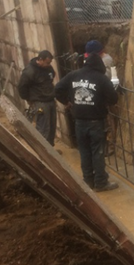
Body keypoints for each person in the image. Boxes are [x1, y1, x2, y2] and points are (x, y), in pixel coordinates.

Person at [55, 52, 119, 192]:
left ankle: (88, 181)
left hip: (79, 122)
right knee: (98, 152)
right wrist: (103, 100)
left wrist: (67, 101)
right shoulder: (101, 79)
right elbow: (114, 98)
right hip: (96, 122)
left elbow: (57, 89)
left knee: (84, 152)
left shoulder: (73, 75)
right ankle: (101, 182)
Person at [17, 50, 57, 145]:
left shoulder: (48, 68)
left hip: (50, 101)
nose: (49, 65)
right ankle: (43, 153)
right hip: (40, 104)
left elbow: (52, 75)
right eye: (47, 63)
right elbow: (22, 87)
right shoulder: (30, 71)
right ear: (40, 60)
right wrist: (28, 99)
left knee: (51, 127)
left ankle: (51, 151)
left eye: (50, 63)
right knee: (43, 127)